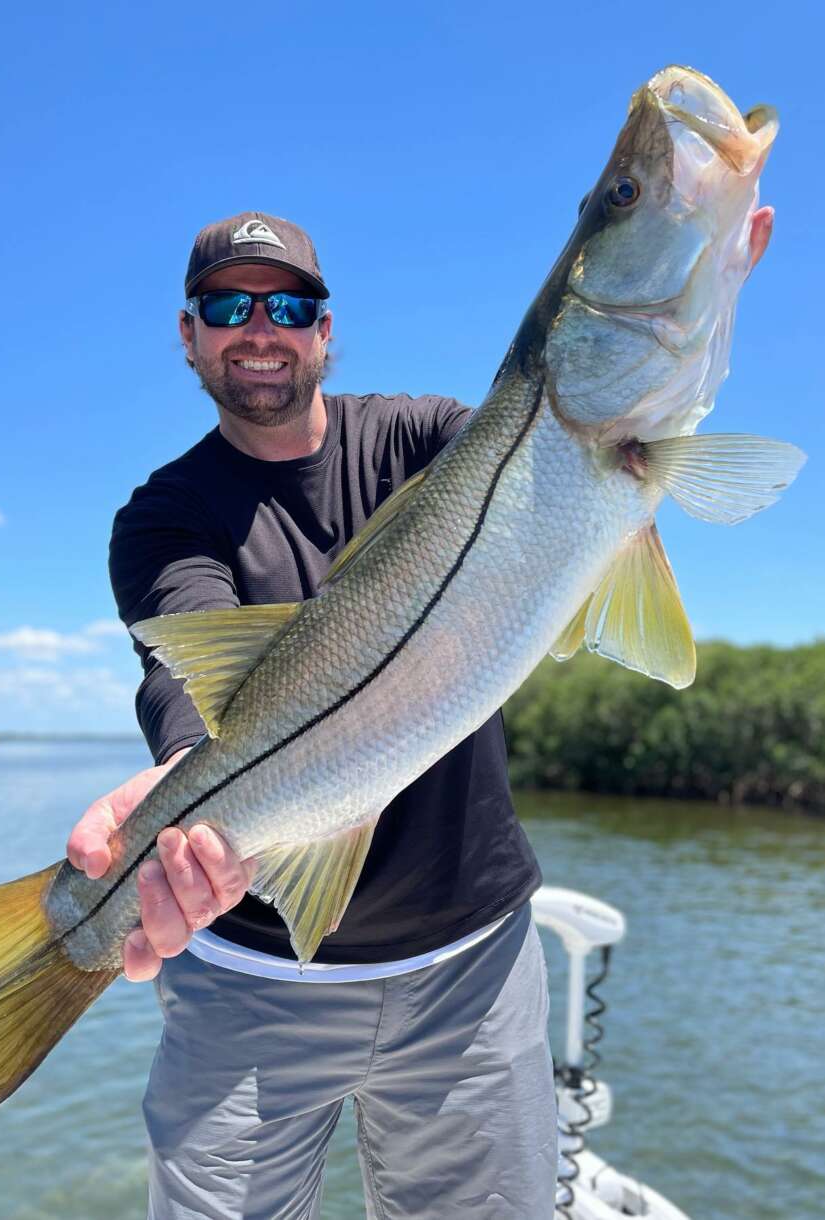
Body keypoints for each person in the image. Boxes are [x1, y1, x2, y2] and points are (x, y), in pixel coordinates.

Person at [67, 211, 556, 1219]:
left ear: (324, 332)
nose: (259, 328)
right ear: (189, 331)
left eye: (287, 305)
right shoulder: (162, 515)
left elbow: (560, 458)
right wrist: (185, 776)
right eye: (227, 306)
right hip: (248, 965)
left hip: (469, 961)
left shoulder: (427, 439)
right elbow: (193, 679)